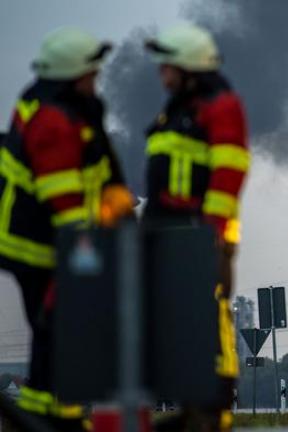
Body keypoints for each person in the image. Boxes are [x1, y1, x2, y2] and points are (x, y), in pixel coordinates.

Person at [0, 27, 132, 431]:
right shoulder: (52, 122)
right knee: (56, 330)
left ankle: (56, 418)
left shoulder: (73, 106)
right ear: (71, 74)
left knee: (60, 334)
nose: (96, 78)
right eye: (91, 72)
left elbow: (100, 166)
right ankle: (48, 420)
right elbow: (66, 207)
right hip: (37, 246)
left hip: (59, 239)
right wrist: (84, 262)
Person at [143, 22, 250, 432]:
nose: (161, 72)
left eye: (167, 65)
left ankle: (214, 405)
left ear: (188, 66)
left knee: (210, 316)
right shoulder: (175, 110)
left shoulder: (219, 106)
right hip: (168, 234)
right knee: (176, 323)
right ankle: (191, 405)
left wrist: (212, 232)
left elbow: (230, 170)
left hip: (201, 233)